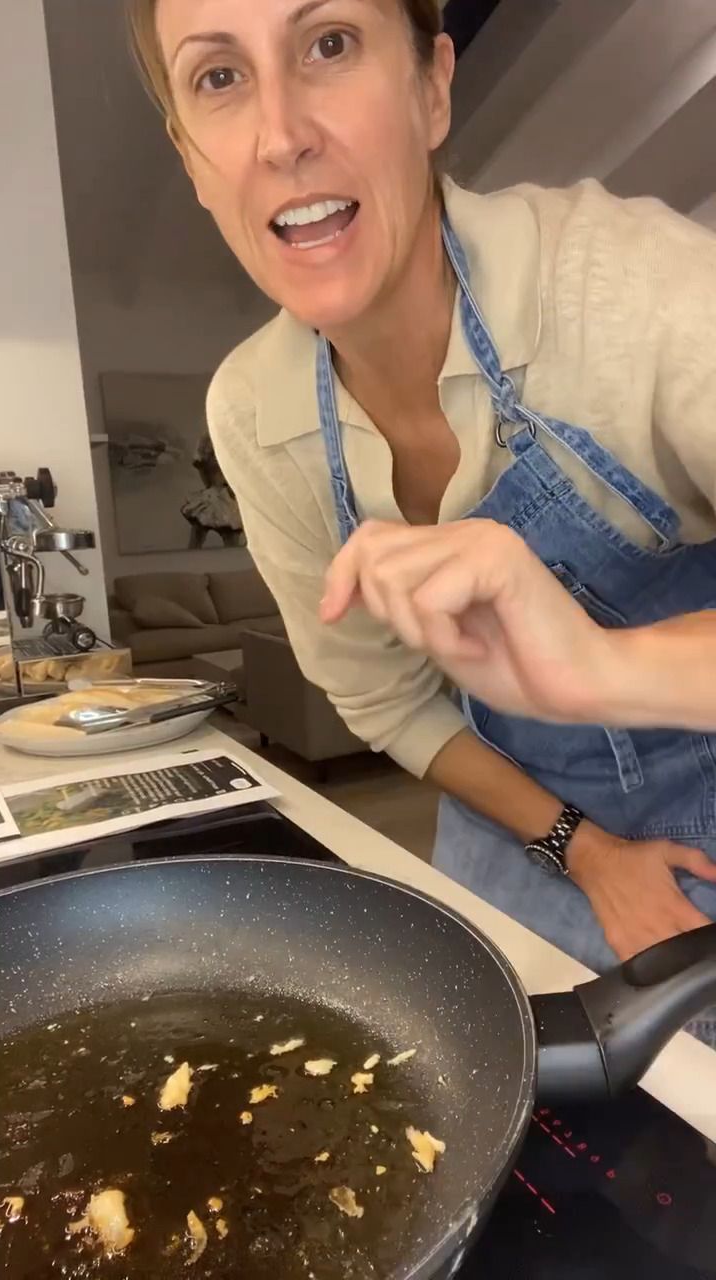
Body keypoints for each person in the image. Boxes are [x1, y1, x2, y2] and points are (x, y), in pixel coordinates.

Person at [128, 0, 716, 1039]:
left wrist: (600, 666)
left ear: (433, 86)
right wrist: (584, 849)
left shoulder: (632, 289)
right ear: (190, 161)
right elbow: (390, 704)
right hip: (520, 832)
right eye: (219, 77)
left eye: (329, 44)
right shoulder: (255, 415)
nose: (280, 135)